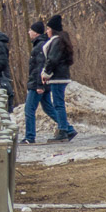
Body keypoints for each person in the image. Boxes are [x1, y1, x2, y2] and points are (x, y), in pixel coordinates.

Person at [22, 20, 60, 144]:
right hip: (42, 83)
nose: (28, 32)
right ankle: (67, 128)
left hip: (37, 84)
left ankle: (29, 137)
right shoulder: (40, 44)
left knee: (29, 109)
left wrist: (39, 85)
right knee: (48, 108)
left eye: (30, 30)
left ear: (36, 33)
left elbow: (40, 67)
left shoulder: (39, 46)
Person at [41, 14, 78, 142]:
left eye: (48, 29)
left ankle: (63, 130)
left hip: (57, 77)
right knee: (59, 103)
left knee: (58, 104)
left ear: (53, 29)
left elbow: (52, 59)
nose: (46, 31)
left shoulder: (56, 41)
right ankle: (66, 129)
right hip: (61, 76)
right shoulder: (61, 40)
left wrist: (46, 73)